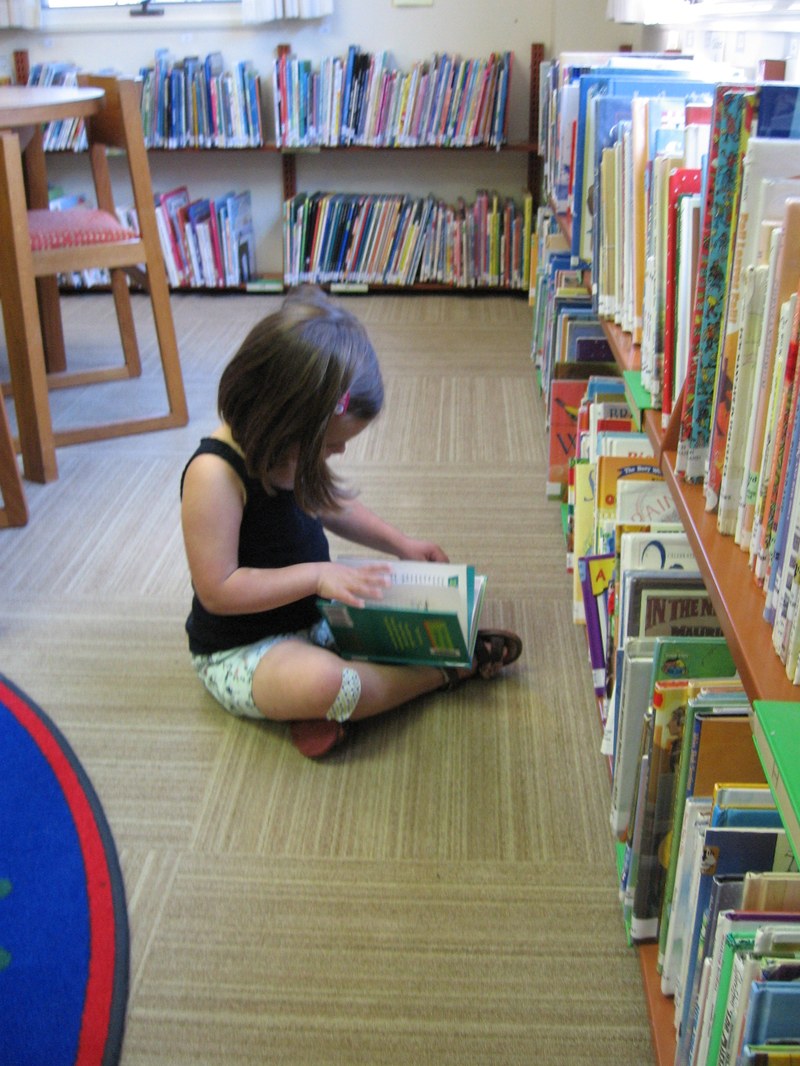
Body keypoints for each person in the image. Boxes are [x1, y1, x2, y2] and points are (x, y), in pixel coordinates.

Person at [180, 286, 522, 758]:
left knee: (402, 599)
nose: (338, 453)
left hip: (314, 618)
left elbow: (329, 503)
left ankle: (332, 703)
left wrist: (399, 543)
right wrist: (317, 576)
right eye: (331, 444)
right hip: (243, 650)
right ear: (285, 422)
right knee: (329, 683)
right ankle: (441, 673)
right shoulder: (213, 476)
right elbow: (219, 589)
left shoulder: (286, 449)